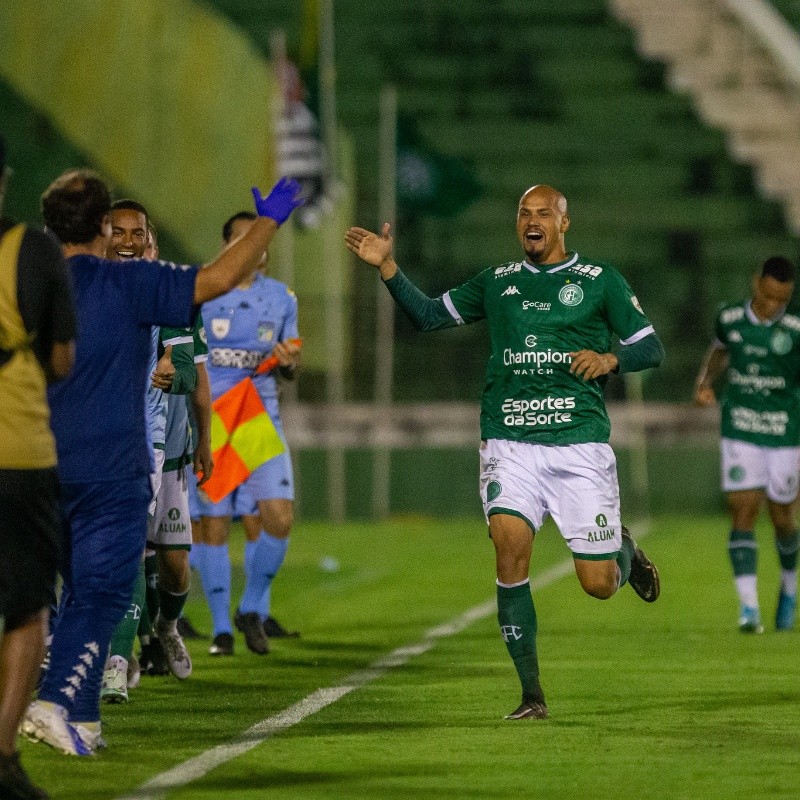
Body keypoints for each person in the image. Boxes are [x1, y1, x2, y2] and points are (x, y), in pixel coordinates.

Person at [345, 184, 663, 720]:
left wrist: (610, 361)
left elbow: (651, 347)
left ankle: (621, 554)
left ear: (565, 223)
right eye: (524, 213)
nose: (532, 221)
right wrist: (388, 268)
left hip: (578, 445)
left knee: (598, 585)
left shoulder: (600, 281)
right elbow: (427, 316)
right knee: (509, 553)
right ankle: (531, 695)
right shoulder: (496, 283)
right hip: (509, 444)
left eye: (544, 213)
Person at [20, 170, 302, 755]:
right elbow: (222, 277)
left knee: (53, 593)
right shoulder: (130, 283)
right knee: (101, 591)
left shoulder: (25, 278)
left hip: (32, 460)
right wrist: (270, 219)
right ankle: (51, 702)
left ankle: (84, 715)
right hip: (112, 468)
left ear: (48, 224)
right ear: (103, 226)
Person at [0, 135, 75, 800]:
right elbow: (60, 361)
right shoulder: (33, 250)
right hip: (18, 445)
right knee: (26, 607)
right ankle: (3, 757)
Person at [190, 210, 301, 656]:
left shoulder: (281, 299)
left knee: (278, 516)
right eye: (244, 240)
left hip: (257, 417)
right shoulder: (200, 293)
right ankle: (221, 629)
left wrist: (289, 363)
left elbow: (291, 357)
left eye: (260, 240)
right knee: (214, 524)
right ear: (225, 249)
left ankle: (251, 607)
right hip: (213, 418)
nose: (255, 248)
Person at [694, 256, 800, 633]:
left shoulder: (796, 330)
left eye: (782, 301)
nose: (773, 307)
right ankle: (749, 609)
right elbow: (720, 350)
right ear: (757, 284)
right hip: (740, 426)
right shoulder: (729, 318)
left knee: (783, 517)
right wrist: (705, 382)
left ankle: (789, 588)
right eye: (769, 297)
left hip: (785, 432)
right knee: (743, 511)